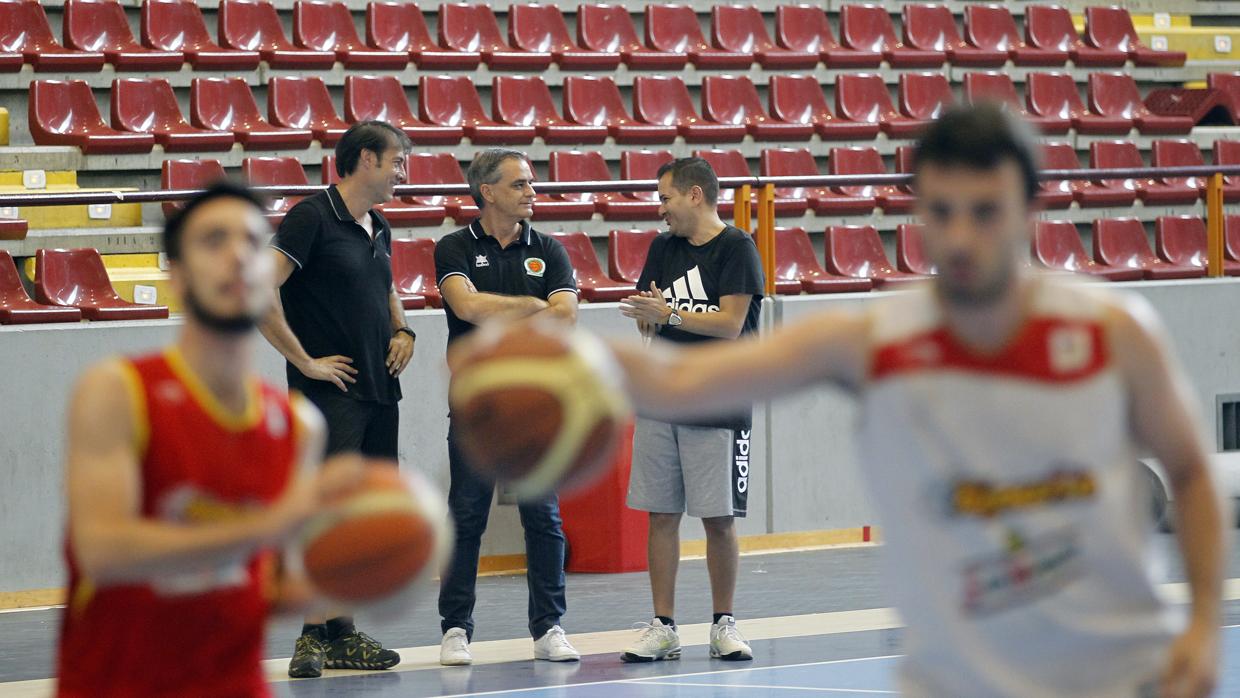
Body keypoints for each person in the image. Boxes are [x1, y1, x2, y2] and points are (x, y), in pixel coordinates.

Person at [605, 105, 1222, 696]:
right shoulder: (878, 340)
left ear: (1028, 207)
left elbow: (1193, 473)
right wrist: (562, 369)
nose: (960, 235)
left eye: (985, 211)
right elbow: (677, 382)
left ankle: (721, 616)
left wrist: (1201, 622)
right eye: (941, 210)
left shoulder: (1112, 331)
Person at [56, 182, 363, 697]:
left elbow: (271, 586)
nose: (238, 257)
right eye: (214, 241)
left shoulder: (297, 426)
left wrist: (370, 562)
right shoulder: (118, 391)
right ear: (176, 274)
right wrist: (267, 526)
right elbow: (102, 550)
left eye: (250, 241)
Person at [260, 121, 414, 677]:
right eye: (397, 161)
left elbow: (387, 289)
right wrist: (304, 361)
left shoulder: (380, 226)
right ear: (366, 159)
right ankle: (311, 634)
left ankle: (341, 632)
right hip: (332, 394)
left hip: (379, 391)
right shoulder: (312, 217)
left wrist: (404, 332)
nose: (402, 172)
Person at [434, 148, 581, 666]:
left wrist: (520, 309)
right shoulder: (453, 246)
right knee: (466, 515)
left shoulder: (550, 248)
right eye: (520, 184)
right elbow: (466, 306)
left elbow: (566, 317)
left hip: (534, 404)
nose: (532, 192)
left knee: (544, 518)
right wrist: (535, 306)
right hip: (477, 404)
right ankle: (455, 628)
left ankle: (549, 627)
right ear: (488, 191)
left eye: (532, 183)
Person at [616, 157, 763, 663]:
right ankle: (664, 625)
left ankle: (724, 622)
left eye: (666, 198)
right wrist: (647, 318)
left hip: (718, 399)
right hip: (664, 397)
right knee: (661, 515)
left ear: (695, 195)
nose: (661, 210)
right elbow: (649, 310)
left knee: (719, 518)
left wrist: (670, 314)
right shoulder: (663, 247)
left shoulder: (737, 247)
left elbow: (730, 323)